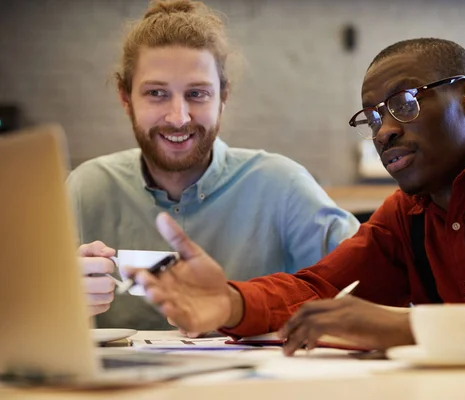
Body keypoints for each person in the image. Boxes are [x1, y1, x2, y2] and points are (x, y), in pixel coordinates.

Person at [124, 37, 465, 368]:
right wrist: (229, 302)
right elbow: (318, 290)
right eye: (372, 117)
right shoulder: (406, 217)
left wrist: (413, 329)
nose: (385, 130)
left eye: (405, 103)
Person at [68, 0, 359, 330]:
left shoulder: (283, 187)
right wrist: (58, 302)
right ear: (125, 98)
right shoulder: (84, 189)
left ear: (223, 97)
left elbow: (371, 288)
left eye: (197, 93)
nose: (178, 118)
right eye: (156, 93)